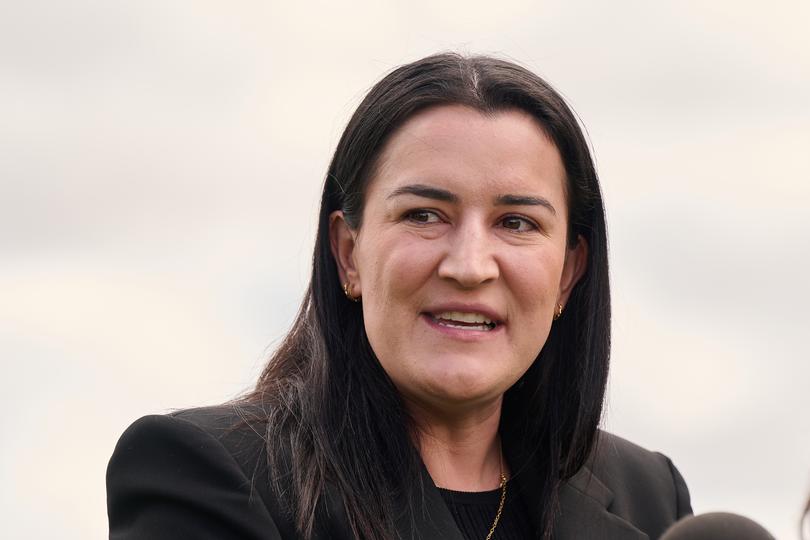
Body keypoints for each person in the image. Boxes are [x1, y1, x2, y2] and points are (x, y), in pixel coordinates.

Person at [107, 52, 692, 540]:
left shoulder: (649, 495)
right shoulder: (207, 476)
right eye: (425, 215)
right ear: (347, 253)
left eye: (516, 223)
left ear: (568, 272)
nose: (469, 266)